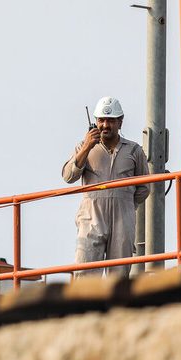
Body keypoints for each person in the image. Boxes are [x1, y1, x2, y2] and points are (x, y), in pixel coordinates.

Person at [62, 96, 150, 277]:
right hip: (91, 217)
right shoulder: (84, 147)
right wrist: (87, 146)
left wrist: (125, 204)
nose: (105, 125)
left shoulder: (134, 150)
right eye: (101, 120)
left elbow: (144, 188)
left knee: (118, 277)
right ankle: (86, 306)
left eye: (111, 120)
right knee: (85, 271)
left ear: (120, 122)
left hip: (123, 218)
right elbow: (68, 176)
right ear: (95, 122)